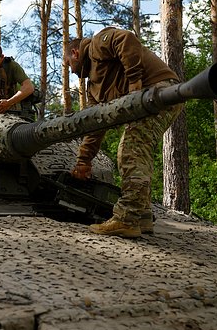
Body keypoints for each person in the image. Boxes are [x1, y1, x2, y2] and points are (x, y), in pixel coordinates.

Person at [65, 27, 183, 238]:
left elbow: (125, 39)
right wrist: (84, 161)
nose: (71, 71)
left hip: (160, 91)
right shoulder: (93, 87)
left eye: (68, 64)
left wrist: (134, 82)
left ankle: (126, 219)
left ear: (75, 53)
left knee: (131, 150)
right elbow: (95, 124)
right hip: (152, 99)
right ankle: (142, 216)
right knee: (138, 150)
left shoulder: (95, 45)